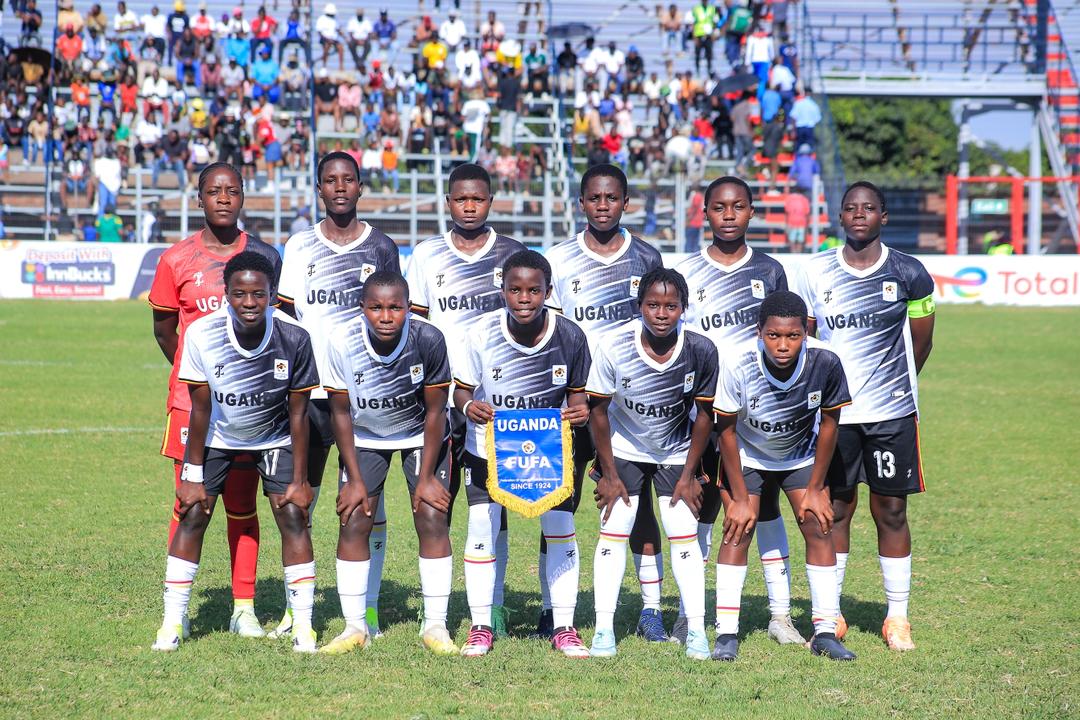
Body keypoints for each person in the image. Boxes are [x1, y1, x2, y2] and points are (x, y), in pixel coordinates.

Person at [151, 250, 319, 653]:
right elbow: (200, 408)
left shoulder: (295, 336)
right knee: (193, 513)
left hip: (274, 437)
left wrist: (300, 480)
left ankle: (304, 625)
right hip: (216, 438)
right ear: (226, 294)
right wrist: (192, 475)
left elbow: (299, 413)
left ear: (272, 295)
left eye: (258, 294)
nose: (249, 303)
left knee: (292, 515)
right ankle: (172, 622)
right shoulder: (203, 333)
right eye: (240, 294)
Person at [796, 181, 936, 651]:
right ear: (840, 217)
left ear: (883, 216)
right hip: (835, 416)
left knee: (891, 510)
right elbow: (807, 343)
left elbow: (922, 341)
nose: (859, 214)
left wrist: (894, 385)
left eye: (869, 208)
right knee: (836, 509)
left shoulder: (909, 272)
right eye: (851, 208)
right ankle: (831, 613)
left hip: (892, 413)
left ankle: (897, 617)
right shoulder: (815, 271)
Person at [148, 164, 284, 644]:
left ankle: (243, 609)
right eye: (213, 191)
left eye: (232, 191)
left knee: (243, 505)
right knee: (190, 504)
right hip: (192, 406)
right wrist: (201, 373)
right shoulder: (175, 259)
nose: (223, 198)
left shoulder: (265, 257)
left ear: (243, 196)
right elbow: (166, 331)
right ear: (200, 198)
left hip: (249, 406)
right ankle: (177, 613)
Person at [275, 151, 400, 638]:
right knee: (298, 501)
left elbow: (395, 319)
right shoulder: (300, 246)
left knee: (366, 505)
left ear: (361, 186)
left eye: (349, 179)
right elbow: (286, 318)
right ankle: (297, 608)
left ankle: (368, 607)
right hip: (308, 395)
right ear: (319, 188)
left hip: (363, 396)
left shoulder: (382, 247)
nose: (340, 187)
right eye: (331, 180)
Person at [545, 164, 668, 642]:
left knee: (638, 506)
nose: (602, 206)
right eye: (594, 198)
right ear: (581, 203)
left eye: (611, 198)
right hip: (573, 403)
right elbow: (552, 336)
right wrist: (569, 394)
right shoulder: (559, 259)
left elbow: (659, 327)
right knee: (560, 501)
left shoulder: (647, 256)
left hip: (630, 407)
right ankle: (555, 609)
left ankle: (652, 609)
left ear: (625, 202)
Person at [675, 176, 798, 646]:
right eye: (719, 207)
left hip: (758, 416)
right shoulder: (686, 271)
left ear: (752, 211)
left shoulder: (770, 270)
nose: (729, 215)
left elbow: (788, 337)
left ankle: (781, 615)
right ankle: (689, 613)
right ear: (704, 212)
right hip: (702, 413)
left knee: (765, 509)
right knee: (701, 509)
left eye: (739, 206)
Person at [406, 163, 526, 638]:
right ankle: (434, 607)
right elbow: (416, 327)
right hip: (438, 397)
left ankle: (493, 604)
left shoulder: (512, 253)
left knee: (493, 504)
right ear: (448, 202)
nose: (469, 207)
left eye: (478, 199)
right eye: (461, 199)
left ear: (490, 201)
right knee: (436, 502)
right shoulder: (427, 254)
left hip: (494, 400)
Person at [453, 250, 592, 658]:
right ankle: (481, 626)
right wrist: (468, 406)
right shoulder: (481, 332)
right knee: (482, 527)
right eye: (515, 290)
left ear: (548, 292)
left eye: (534, 290)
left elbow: (578, 397)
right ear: (503, 291)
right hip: (488, 449)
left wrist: (580, 411)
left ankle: (564, 626)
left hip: (548, 451)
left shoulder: (570, 336)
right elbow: (462, 390)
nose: (525, 298)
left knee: (560, 528)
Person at [711, 289, 856, 662]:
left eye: (793, 336)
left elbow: (830, 423)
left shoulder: (825, 361)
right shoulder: (738, 362)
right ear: (759, 332)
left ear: (805, 333)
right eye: (773, 335)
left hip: (799, 454)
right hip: (747, 453)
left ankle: (825, 631)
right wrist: (739, 498)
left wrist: (816, 487)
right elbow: (725, 430)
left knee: (818, 523)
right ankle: (726, 634)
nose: (783, 345)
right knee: (738, 527)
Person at [318, 271, 456, 655]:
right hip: (364, 436)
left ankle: (436, 626)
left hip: (420, 435)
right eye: (375, 307)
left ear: (408, 307)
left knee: (432, 515)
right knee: (354, 517)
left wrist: (426, 478)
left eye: (395, 307)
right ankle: (354, 627)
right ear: (361, 308)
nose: (385, 316)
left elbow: (436, 411)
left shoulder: (428, 338)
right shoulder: (341, 340)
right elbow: (339, 413)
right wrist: (353, 479)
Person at [586, 268, 718, 660]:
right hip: (624, 448)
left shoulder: (701, 349)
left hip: (676, 450)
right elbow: (598, 412)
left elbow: (705, 416)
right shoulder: (614, 346)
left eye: (671, 306)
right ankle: (604, 630)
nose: (662, 313)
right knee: (615, 527)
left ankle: (696, 632)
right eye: (653, 305)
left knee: (682, 529)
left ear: (684, 308)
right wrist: (609, 474)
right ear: (639, 306)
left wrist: (690, 474)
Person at [691, 0, 719, 76]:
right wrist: (694, 36)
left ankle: (709, 71)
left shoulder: (712, 9)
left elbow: (715, 22)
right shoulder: (696, 9)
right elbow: (693, 22)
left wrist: (714, 33)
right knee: (698, 54)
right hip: (699, 34)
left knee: (709, 54)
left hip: (709, 35)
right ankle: (697, 71)